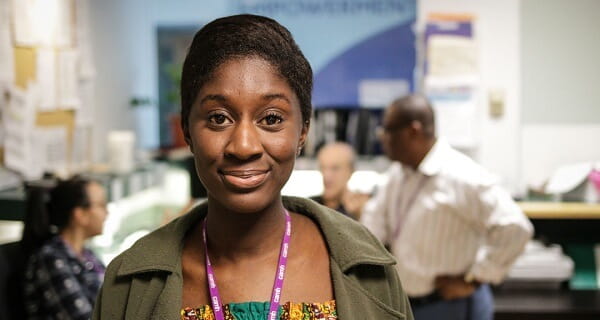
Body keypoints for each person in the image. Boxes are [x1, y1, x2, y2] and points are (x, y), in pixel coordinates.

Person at [93, 14, 413, 320]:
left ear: (303, 131)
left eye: (271, 119)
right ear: (188, 131)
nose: (244, 146)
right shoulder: (130, 284)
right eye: (219, 118)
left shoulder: (369, 271)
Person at [360, 94, 533, 320]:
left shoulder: (461, 176)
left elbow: (516, 227)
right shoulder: (399, 173)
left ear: (414, 131)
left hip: (448, 306)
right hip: (405, 304)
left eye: (389, 131)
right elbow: (375, 225)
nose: (383, 138)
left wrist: (473, 279)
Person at [21, 176, 108, 320]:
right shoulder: (51, 259)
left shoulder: (87, 255)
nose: (106, 213)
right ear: (80, 215)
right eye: (101, 205)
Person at [310, 142, 369, 219]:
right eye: (323, 168)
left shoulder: (361, 209)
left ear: (350, 171)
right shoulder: (309, 208)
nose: (327, 176)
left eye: (335, 169)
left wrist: (361, 215)